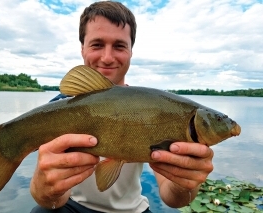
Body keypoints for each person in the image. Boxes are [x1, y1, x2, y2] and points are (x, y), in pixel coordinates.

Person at [30, 1, 214, 213]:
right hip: (72, 205)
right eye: (97, 44)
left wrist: (186, 183)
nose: (107, 58)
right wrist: (44, 189)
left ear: (131, 52)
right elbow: (50, 198)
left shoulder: (154, 106)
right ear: (82, 49)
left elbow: (172, 197)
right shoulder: (59, 108)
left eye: (119, 46)